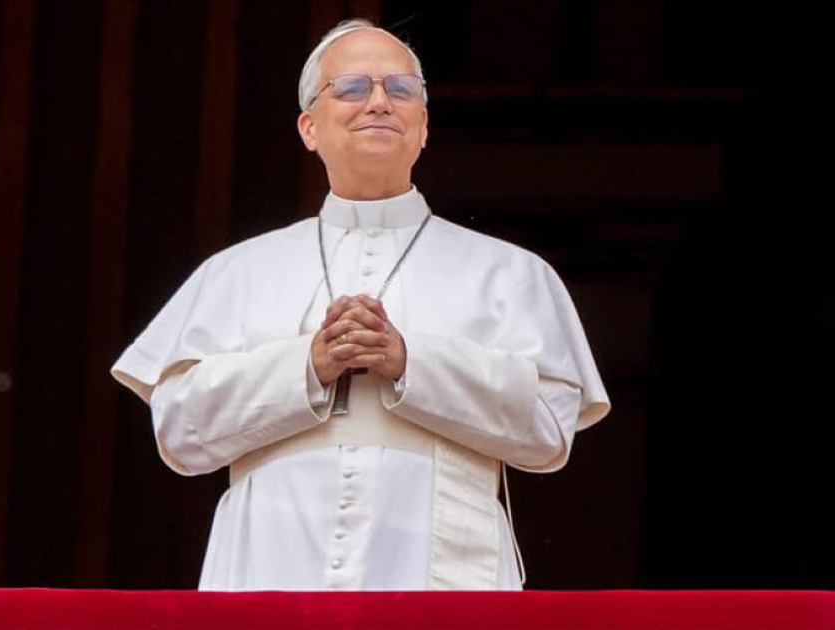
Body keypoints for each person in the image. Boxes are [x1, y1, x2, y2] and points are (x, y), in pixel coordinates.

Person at [111, 18, 610, 591]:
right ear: (309, 127)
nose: (378, 102)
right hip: (271, 565)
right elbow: (179, 434)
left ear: (424, 126)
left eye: (401, 89)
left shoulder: (511, 274)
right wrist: (307, 366)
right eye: (351, 87)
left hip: (436, 578)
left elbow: (549, 434)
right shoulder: (237, 271)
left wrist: (410, 362)